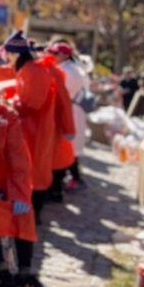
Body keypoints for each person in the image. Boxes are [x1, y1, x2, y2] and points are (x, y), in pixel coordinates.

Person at [0, 71, 46, 287]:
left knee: (24, 212)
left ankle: (25, 270)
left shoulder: (7, 116)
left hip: (4, 178)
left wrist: (20, 192)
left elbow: (19, 158)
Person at [8, 31, 74, 225]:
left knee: (34, 171)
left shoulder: (35, 71)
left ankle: (33, 215)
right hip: (34, 128)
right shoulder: (33, 69)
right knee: (33, 170)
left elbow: (32, 103)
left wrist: (11, 103)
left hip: (35, 130)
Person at [48, 40, 90, 190]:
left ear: (64, 55)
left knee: (66, 148)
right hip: (73, 109)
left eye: (55, 53)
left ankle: (64, 183)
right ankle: (73, 178)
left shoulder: (68, 71)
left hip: (70, 109)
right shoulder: (73, 68)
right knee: (69, 148)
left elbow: (62, 93)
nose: (52, 56)